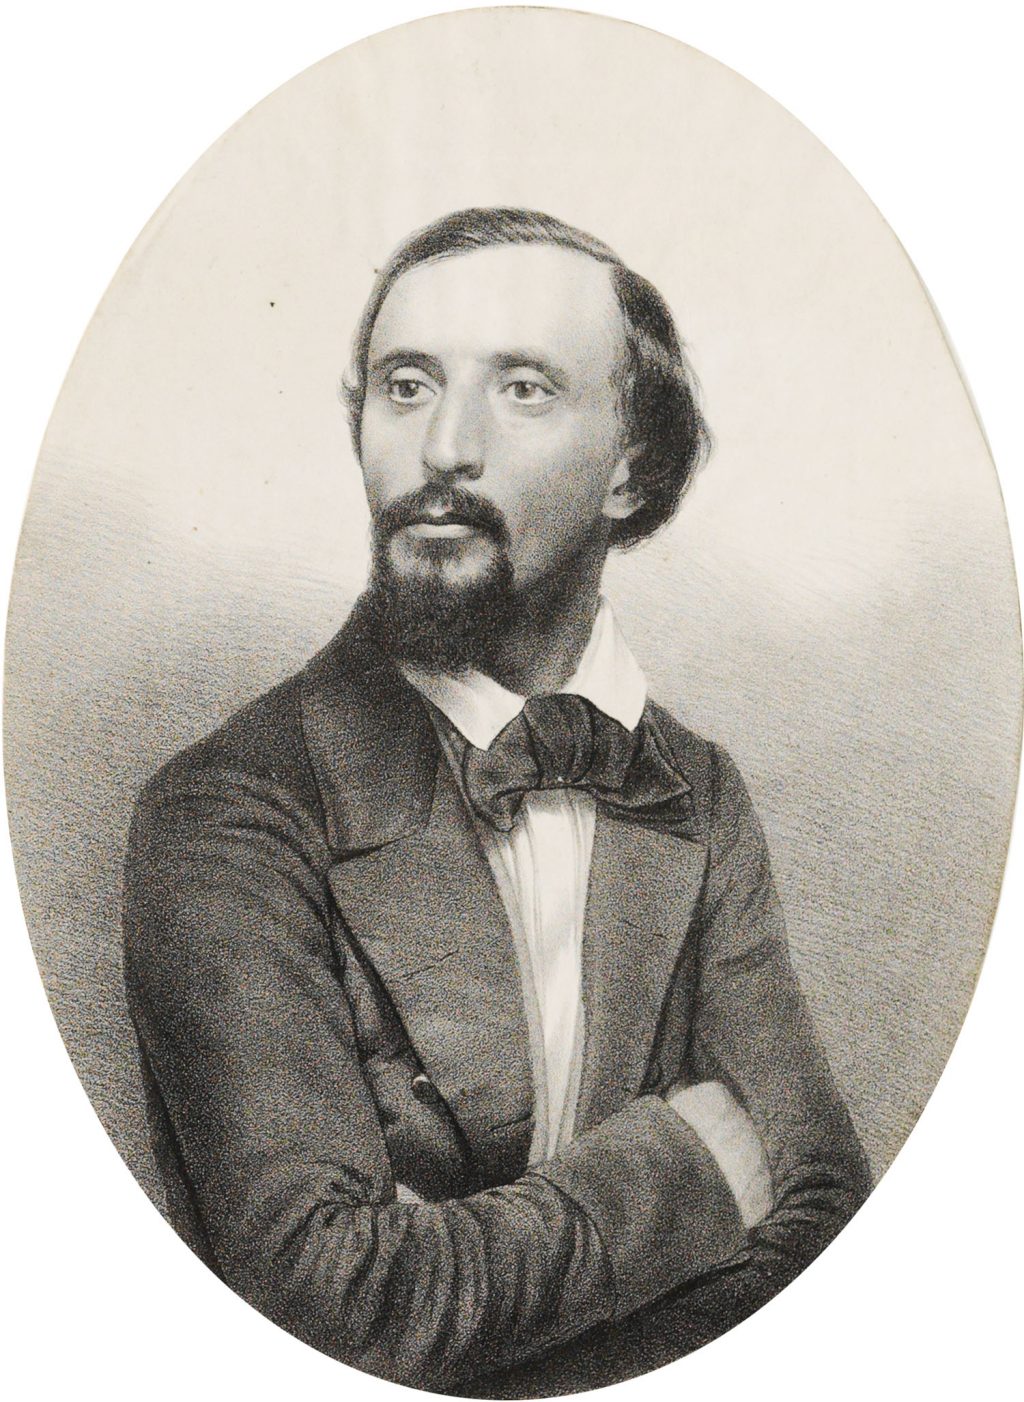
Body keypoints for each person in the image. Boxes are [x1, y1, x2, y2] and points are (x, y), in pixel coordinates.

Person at [123, 207, 870, 1395]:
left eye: (522, 389)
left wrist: (465, 1291)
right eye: (406, 386)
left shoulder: (697, 790)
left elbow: (822, 1221)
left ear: (631, 464)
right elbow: (333, 1301)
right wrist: (688, 1171)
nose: (443, 447)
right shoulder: (227, 808)